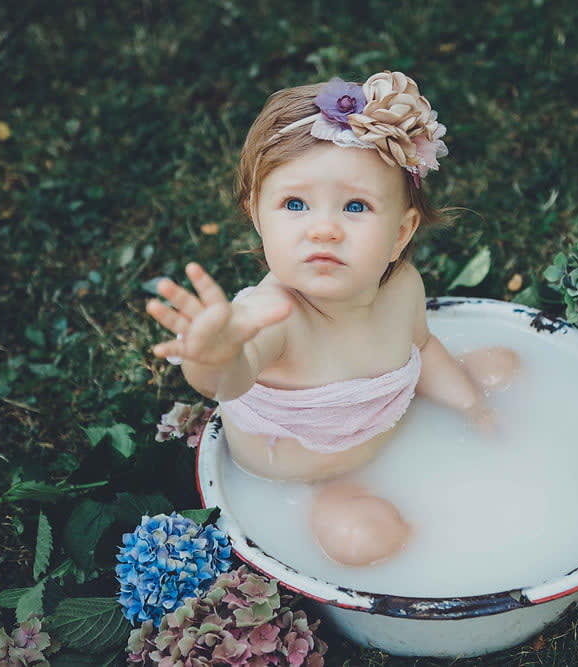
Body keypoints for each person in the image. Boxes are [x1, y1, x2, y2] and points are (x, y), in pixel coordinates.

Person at [147, 71, 519, 567]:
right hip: (315, 479)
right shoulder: (272, 316)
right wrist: (214, 354)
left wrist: (474, 406)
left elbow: (423, 349)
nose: (324, 229)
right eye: (295, 204)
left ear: (401, 233)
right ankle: (438, 535)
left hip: (391, 424)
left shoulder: (403, 286)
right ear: (258, 216)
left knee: (503, 368)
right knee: (364, 540)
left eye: (356, 206)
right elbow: (228, 380)